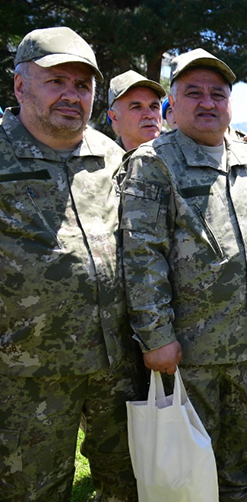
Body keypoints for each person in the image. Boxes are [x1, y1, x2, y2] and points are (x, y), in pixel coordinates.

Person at [121, 48, 247, 502]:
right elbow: (142, 255)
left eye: (218, 94)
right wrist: (156, 337)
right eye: (194, 93)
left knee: (244, 451)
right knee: (191, 462)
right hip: (190, 350)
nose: (208, 103)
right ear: (172, 103)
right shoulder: (154, 162)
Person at [0, 26, 143, 501]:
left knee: (127, 481)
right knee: (33, 490)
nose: (71, 95)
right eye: (56, 81)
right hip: (27, 370)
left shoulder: (109, 156)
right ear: (21, 86)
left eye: (82, 85)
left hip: (114, 362)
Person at [107, 69, 166, 151]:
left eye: (154, 106)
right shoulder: (105, 162)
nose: (150, 114)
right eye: (137, 107)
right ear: (114, 117)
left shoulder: (180, 156)